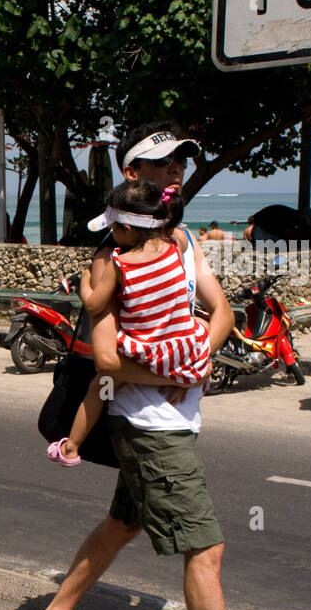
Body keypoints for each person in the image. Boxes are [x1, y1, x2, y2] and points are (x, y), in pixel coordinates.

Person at [32, 121, 302, 610]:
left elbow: (223, 310)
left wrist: (196, 359)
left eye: (182, 164)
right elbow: (105, 357)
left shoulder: (180, 243)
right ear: (133, 177)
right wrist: (164, 375)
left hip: (175, 411)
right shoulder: (114, 256)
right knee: (206, 548)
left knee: (124, 522)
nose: (177, 173)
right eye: (163, 166)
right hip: (148, 424)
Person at [47, 181, 209, 466]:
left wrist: (85, 283)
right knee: (200, 326)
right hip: (183, 349)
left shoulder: (120, 264)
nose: (111, 235)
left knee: (100, 385)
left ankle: (71, 447)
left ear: (128, 230)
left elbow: (95, 305)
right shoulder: (174, 247)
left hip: (147, 350)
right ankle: (189, 377)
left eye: (114, 229)